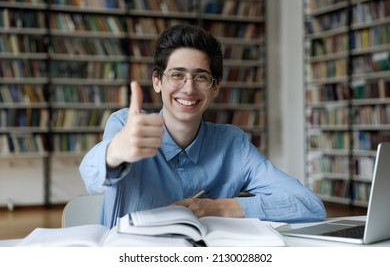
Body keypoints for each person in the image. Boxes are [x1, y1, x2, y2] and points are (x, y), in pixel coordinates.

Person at [79, 24, 326, 228]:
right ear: (157, 81)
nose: (188, 88)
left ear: (215, 87)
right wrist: (115, 152)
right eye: (177, 75)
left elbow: (310, 205)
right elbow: (91, 178)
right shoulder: (126, 125)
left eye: (201, 77)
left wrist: (218, 207)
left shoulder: (233, 144)